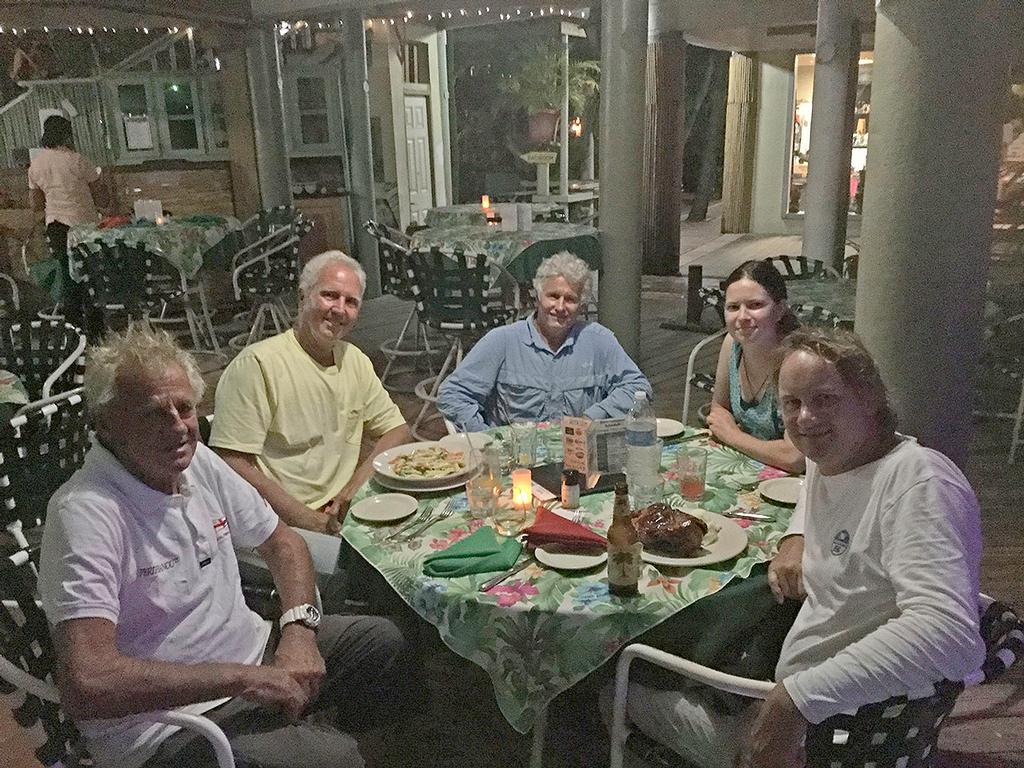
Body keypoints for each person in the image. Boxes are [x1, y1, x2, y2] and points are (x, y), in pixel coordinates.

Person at [38, 327, 404, 768]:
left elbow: (284, 544)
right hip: (169, 724)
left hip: (251, 658)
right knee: (335, 760)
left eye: (186, 408)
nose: (177, 426)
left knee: (382, 643)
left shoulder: (195, 463)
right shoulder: (85, 513)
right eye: (153, 414)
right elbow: (89, 682)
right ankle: (307, 744)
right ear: (106, 425)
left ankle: (301, 735)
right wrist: (243, 679)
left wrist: (298, 632)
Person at [621, 328, 986, 768]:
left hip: (834, 730)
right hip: (795, 686)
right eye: (791, 403)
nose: (806, 418)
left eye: (825, 399)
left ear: (869, 397)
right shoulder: (833, 456)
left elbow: (949, 635)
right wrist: (796, 537)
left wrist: (795, 700)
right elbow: (817, 485)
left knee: (613, 690)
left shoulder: (919, 484)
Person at [210, 251, 412, 534]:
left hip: (340, 512)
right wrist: (307, 519)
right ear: (303, 297)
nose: (340, 309)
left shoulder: (354, 360)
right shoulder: (257, 365)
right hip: (279, 523)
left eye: (351, 302)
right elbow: (230, 462)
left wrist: (352, 490)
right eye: (330, 295)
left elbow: (397, 430)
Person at [437, 251, 651, 431]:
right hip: (516, 467)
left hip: (579, 461)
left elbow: (638, 388)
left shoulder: (599, 341)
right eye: (553, 296)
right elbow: (452, 395)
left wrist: (592, 417)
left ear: (581, 305)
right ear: (538, 296)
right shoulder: (502, 341)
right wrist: (486, 440)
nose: (560, 306)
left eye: (570, 299)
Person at [706, 259, 805, 473]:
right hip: (751, 468)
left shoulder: (795, 361)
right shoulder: (733, 345)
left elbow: (795, 456)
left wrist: (733, 436)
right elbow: (719, 410)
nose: (742, 317)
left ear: (780, 310)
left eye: (755, 305)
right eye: (733, 307)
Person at [28, 114, 104, 330]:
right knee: (91, 274)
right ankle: (96, 328)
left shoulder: (37, 165)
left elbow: (34, 203)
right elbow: (101, 197)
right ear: (66, 134)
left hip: (56, 226)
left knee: (68, 274)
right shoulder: (77, 160)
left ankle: (73, 329)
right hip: (84, 225)